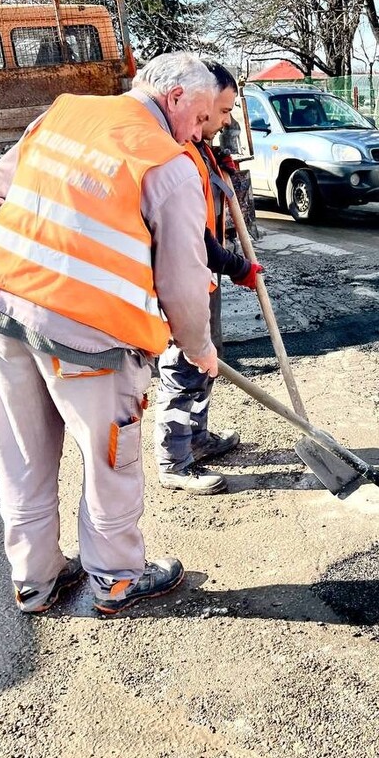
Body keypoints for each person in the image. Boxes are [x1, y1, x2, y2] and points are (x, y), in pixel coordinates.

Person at [0, 52, 219, 614]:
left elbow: (0, 182)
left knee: (23, 456)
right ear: (175, 97)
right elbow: (183, 280)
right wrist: (199, 349)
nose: (198, 134)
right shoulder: (166, 164)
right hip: (89, 337)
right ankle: (117, 577)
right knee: (112, 461)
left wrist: (65, 238)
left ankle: (36, 580)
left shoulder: (64, 113)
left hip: (3, 305)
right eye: (200, 119)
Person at [154, 60, 263, 494]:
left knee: (204, 365)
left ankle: (196, 438)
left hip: (204, 278)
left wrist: (218, 165)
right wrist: (238, 267)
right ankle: (173, 461)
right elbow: (193, 236)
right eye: (221, 111)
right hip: (184, 277)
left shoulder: (199, 146)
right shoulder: (177, 147)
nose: (224, 119)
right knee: (183, 365)